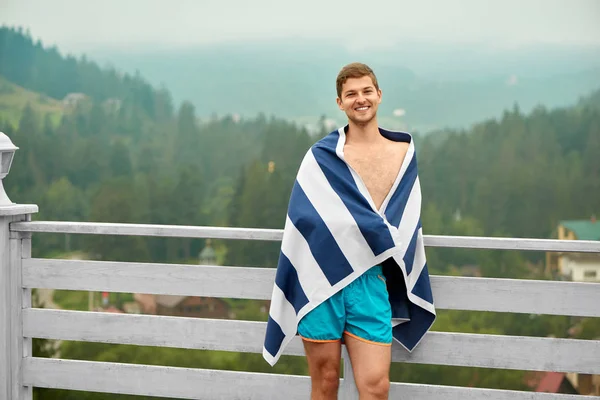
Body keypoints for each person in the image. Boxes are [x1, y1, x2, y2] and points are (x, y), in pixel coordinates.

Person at [262, 62, 435, 400]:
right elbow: (302, 220)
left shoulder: (403, 154)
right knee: (325, 383)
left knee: (376, 387)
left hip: (371, 282)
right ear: (340, 103)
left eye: (366, 91)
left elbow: (405, 222)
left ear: (379, 95)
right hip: (320, 282)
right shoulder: (321, 158)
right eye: (351, 94)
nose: (360, 99)